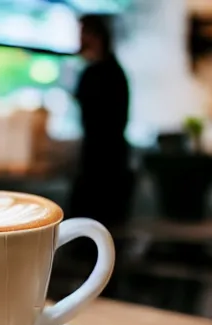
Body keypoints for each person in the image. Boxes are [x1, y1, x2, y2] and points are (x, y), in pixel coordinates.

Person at [68, 14, 134, 231]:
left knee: (98, 228)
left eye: (83, 33)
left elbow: (106, 124)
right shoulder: (104, 71)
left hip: (106, 162)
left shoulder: (105, 74)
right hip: (100, 158)